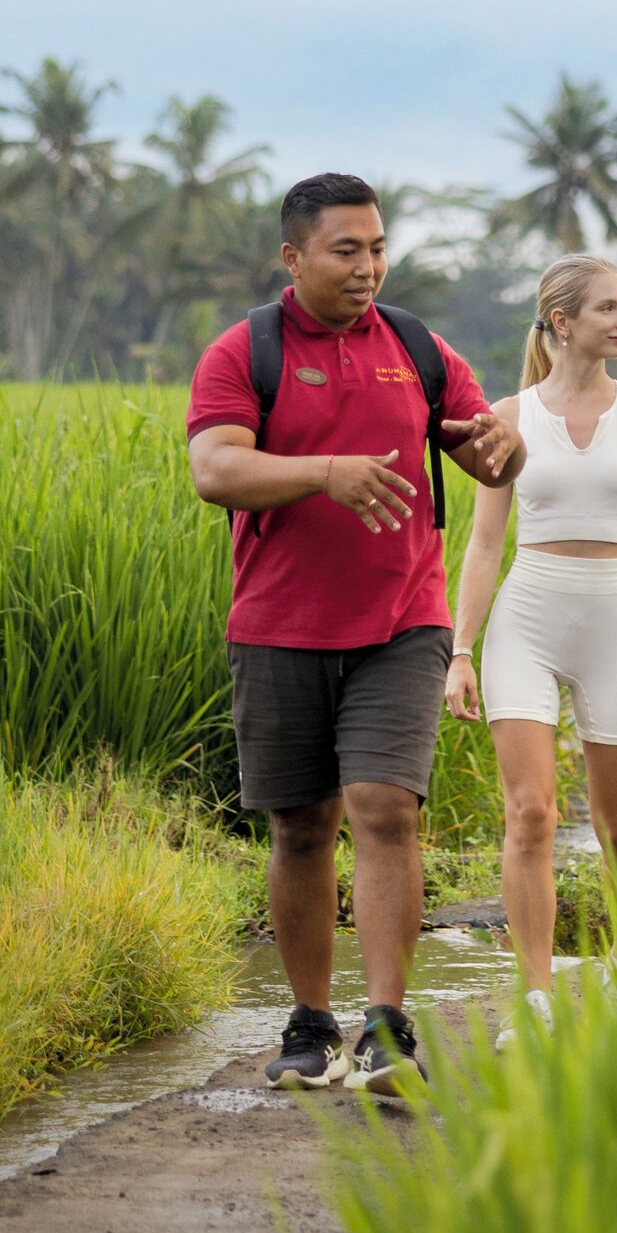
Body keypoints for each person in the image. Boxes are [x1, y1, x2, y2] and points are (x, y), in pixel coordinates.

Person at [188, 173, 524, 1096]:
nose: (368, 265)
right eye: (346, 249)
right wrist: (323, 472)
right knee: (301, 825)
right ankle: (310, 1024)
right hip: (279, 625)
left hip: (401, 620)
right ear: (293, 256)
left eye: (377, 247)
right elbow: (214, 468)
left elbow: (487, 448)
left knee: (385, 806)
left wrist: (506, 450)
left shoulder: (416, 348)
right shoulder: (244, 351)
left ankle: (385, 1025)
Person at [444, 255, 617, 1040]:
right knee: (531, 813)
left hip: (616, 622)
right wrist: (461, 649)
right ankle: (537, 994)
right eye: (608, 307)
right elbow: (485, 542)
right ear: (561, 320)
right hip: (528, 617)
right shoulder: (508, 416)